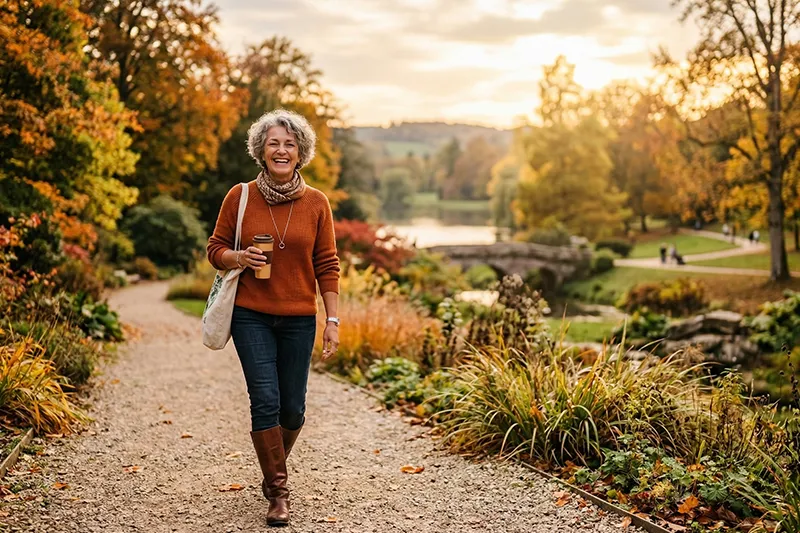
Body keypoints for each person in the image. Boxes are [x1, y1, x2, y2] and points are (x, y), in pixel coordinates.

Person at [207, 109, 341, 527]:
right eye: (273, 143)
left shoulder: (317, 202)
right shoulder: (241, 195)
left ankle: (272, 467)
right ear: (261, 151)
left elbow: (328, 264)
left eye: (289, 144)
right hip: (252, 315)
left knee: (294, 409)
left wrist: (331, 320)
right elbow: (215, 249)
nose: (281, 150)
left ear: (300, 152)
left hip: (299, 317)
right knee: (265, 400)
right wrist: (238, 256)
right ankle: (278, 492)